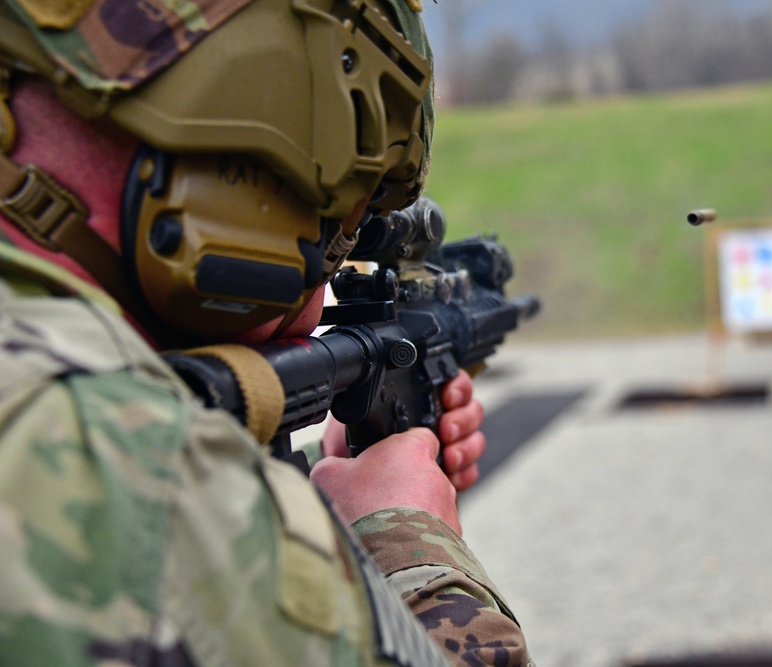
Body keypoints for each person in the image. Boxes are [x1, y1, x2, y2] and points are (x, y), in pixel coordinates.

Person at [0, 0, 532, 664]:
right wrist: (407, 540)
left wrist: (301, 510)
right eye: (324, 217)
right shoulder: (128, 463)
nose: (314, 302)